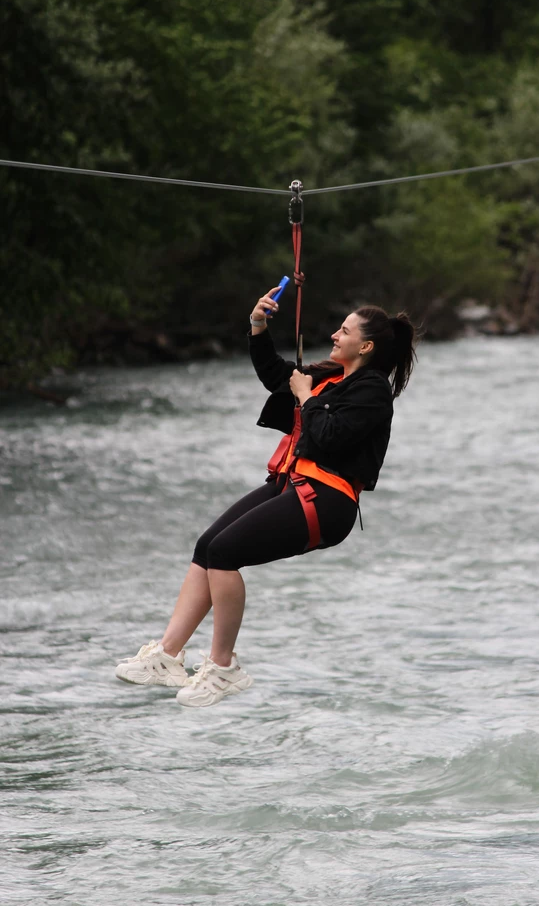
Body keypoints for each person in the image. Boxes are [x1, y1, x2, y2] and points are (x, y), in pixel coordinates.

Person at [114, 288, 417, 707]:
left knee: (224, 554)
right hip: (292, 483)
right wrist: (258, 326)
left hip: (328, 503)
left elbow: (329, 436)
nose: (334, 335)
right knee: (207, 547)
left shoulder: (372, 392)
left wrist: (307, 396)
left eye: (343, 331)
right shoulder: (331, 375)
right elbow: (278, 376)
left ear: (364, 346)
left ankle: (223, 668)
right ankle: (167, 656)